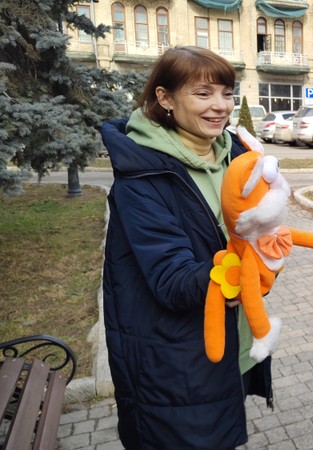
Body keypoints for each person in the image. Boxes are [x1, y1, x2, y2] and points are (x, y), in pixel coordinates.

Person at [101, 46, 265, 449]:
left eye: (227, 93)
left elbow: (257, 235)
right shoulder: (142, 176)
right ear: (165, 98)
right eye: (203, 93)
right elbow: (171, 278)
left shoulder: (236, 154)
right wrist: (233, 278)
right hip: (177, 357)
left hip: (233, 340)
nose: (220, 106)